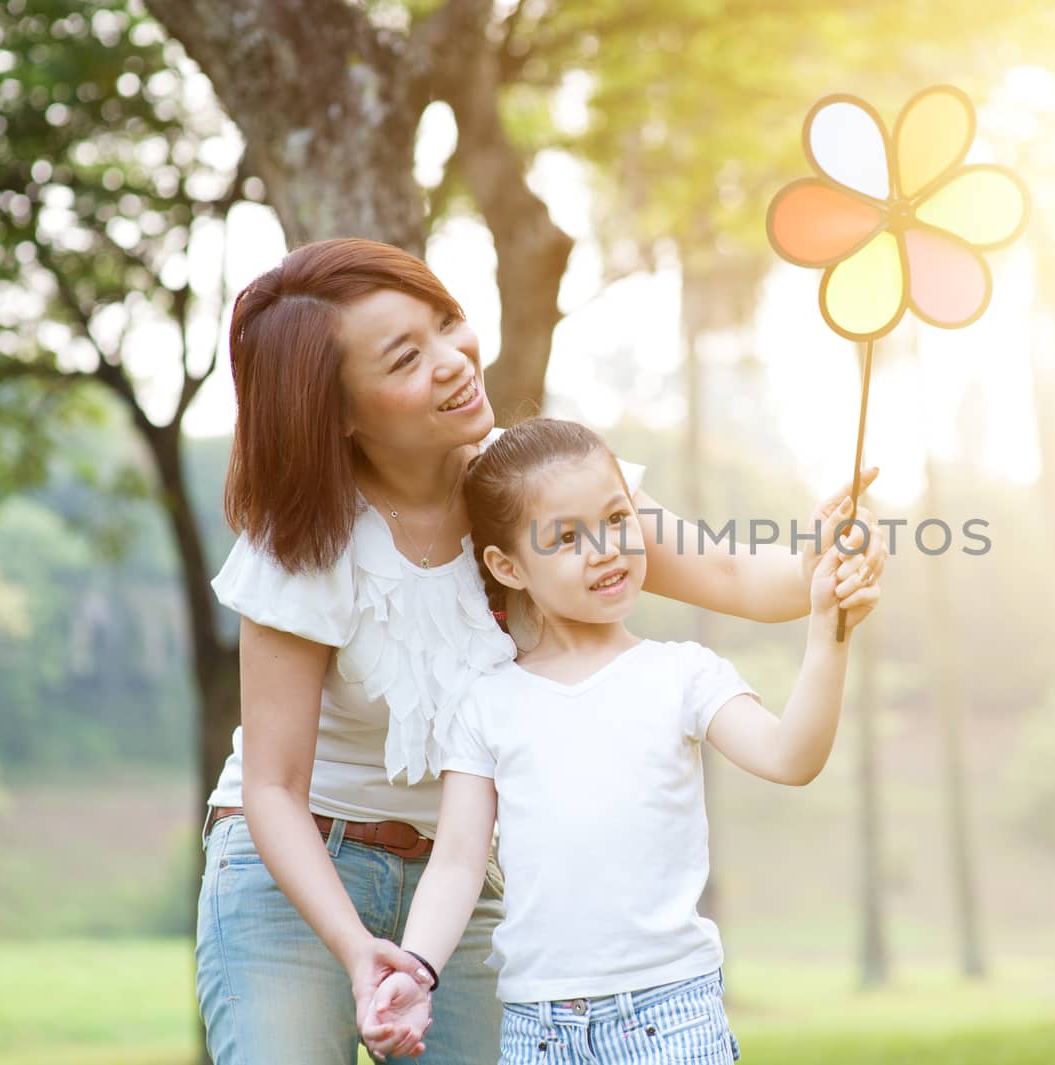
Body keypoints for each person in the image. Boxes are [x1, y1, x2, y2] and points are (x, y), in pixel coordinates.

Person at [197, 237, 888, 1065]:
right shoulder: (303, 541)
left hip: (465, 871)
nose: (454, 359)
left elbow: (740, 574)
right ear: (337, 409)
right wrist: (355, 948)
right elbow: (274, 786)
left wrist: (824, 559)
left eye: (447, 323)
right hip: (298, 876)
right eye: (407, 358)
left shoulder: (537, 490)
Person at [354, 418, 882, 1062]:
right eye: (568, 536)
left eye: (616, 519)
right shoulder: (484, 704)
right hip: (538, 1028)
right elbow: (460, 861)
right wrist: (417, 970)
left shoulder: (682, 673)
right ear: (507, 566)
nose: (605, 548)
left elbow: (790, 757)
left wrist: (829, 624)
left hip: (673, 1014)